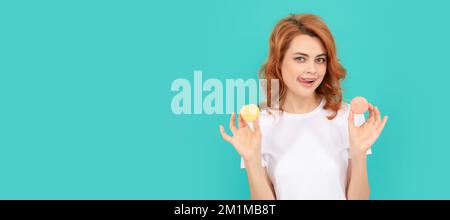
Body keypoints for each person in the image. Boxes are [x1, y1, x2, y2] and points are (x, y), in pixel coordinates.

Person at [219, 14, 388, 200]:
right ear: (279, 62)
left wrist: (359, 153)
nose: (312, 70)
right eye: (300, 59)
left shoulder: (347, 117)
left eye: (320, 59)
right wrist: (252, 161)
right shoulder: (260, 125)